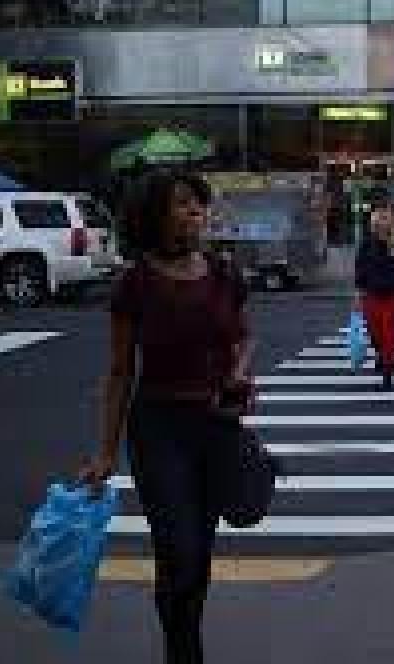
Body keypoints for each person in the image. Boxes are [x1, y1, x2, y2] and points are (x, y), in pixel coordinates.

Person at [81, 170, 254, 664]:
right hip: (159, 430)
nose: (194, 210)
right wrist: (105, 454)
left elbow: (244, 337)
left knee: (198, 556)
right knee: (178, 552)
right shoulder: (135, 283)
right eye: (181, 203)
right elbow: (120, 371)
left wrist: (239, 374)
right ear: (154, 216)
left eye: (198, 202)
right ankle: (181, 651)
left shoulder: (224, 274)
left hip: (216, 427)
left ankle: (184, 645)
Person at [355, 200, 394, 391]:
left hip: (392, 295)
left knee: (390, 334)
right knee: (374, 332)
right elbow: (360, 268)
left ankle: (388, 371)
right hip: (371, 294)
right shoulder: (367, 243)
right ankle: (381, 354)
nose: (382, 222)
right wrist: (358, 292)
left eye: (386, 218)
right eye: (379, 218)